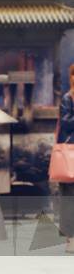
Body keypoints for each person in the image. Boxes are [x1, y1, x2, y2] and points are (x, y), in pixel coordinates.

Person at [58, 64, 74, 253]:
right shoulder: (67, 98)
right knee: (70, 196)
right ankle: (71, 237)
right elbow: (66, 123)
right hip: (71, 151)